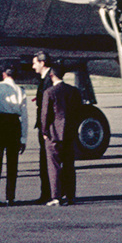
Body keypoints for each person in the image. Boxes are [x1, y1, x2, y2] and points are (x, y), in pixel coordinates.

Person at [40, 66, 84, 206]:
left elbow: (45, 115)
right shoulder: (73, 91)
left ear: (52, 75)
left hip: (54, 134)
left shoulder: (49, 92)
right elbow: (79, 111)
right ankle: (71, 195)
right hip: (69, 133)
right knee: (69, 165)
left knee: (54, 166)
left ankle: (56, 196)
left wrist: (44, 131)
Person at [0, 65, 28, 204]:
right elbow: (24, 116)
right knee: (12, 163)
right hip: (14, 124)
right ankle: (10, 196)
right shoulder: (20, 90)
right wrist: (23, 138)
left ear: (3, 74)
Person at [31, 52, 55, 203]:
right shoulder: (44, 79)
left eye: (35, 63)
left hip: (49, 128)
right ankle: (47, 193)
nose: (33, 66)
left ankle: (50, 194)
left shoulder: (49, 80)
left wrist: (46, 128)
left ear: (42, 62)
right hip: (44, 126)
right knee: (45, 161)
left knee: (48, 161)